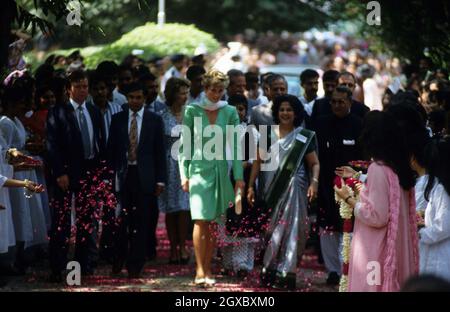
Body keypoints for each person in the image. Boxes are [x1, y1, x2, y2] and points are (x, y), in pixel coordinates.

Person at [334, 111, 418, 292]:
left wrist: (348, 199)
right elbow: (386, 197)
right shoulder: (399, 167)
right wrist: (358, 177)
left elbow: (377, 216)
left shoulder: (378, 169)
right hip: (397, 246)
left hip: (377, 251)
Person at [179, 69, 244, 286]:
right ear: (205, 89)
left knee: (214, 223)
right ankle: (199, 269)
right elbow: (184, 146)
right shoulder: (192, 111)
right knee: (200, 220)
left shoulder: (230, 111)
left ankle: (208, 269)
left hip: (220, 170)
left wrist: (239, 177)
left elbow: (236, 148)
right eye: (213, 89)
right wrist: (184, 174)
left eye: (220, 90)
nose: (216, 94)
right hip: (197, 170)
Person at [247, 95, 319, 289]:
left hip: (296, 187)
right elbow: (258, 162)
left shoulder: (303, 135)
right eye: (282, 110)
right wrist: (250, 186)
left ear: (296, 113)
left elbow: (314, 163)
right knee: (271, 230)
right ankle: (269, 269)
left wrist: (314, 183)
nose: (285, 113)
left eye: (289, 110)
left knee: (294, 227)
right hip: (270, 190)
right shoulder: (267, 134)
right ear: (276, 112)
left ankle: (287, 272)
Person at [46, 70, 106, 282]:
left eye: (85, 86)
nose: (83, 90)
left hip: (89, 171)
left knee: (86, 221)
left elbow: (100, 143)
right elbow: (52, 146)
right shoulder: (58, 112)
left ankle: (82, 265)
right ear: (69, 88)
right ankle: (57, 267)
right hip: (66, 173)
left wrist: (101, 172)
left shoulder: (93, 110)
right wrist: (59, 172)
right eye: (79, 86)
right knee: (61, 222)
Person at [108, 82, 166, 278]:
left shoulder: (154, 120)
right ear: (126, 98)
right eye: (131, 97)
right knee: (121, 220)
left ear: (144, 98)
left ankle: (135, 265)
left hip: (145, 177)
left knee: (141, 223)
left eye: (138, 97)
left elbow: (160, 152)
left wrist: (160, 180)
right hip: (123, 176)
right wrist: (109, 176)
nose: (134, 101)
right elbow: (111, 151)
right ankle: (118, 259)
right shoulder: (117, 119)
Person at [314, 86, 364, 285]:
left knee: (348, 229)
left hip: (352, 187)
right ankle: (333, 270)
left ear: (350, 103)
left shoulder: (359, 125)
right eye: (333, 101)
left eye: (341, 101)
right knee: (327, 228)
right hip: (326, 184)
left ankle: (350, 269)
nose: (336, 105)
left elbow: (363, 158)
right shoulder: (321, 124)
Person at [159, 78, 191, 264]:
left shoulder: (192, 114)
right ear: (172, 94)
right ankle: (173, 248)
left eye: (187, 93)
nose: (185, 96)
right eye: (181, 93)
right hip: (169, 165)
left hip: (187, 164)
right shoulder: (162, 116)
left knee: (185, 207)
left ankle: (183, 246)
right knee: (171, 209)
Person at [410, 134, 450, 282]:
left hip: (441, 256)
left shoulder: (442, 189)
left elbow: (443, 226)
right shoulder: (440, 187)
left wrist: (419, 233)